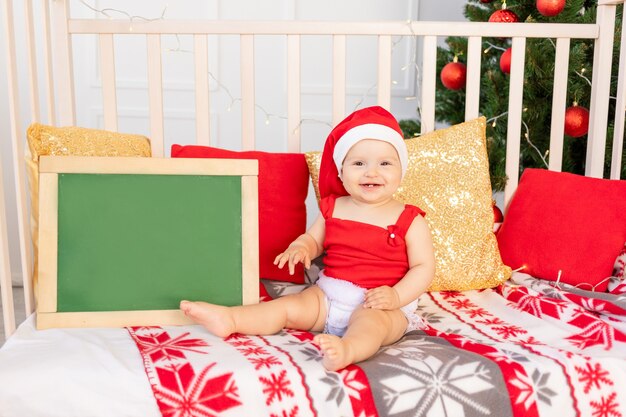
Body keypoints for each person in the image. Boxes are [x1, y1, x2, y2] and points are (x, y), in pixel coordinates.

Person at [181, 106, 435, 371]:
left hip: (379, 304)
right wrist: (301, 247)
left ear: (401, 171)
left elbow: (423, 267)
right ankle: (231, 319)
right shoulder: (333, 207)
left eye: (385, 163)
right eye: (359, 163)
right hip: (327, 296)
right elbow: (314, 240)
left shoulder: (410, 219)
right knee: (287, 307)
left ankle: (347, 350)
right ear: (341, 171)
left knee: (371, 326)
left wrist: (396, 296)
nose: (371, 172)